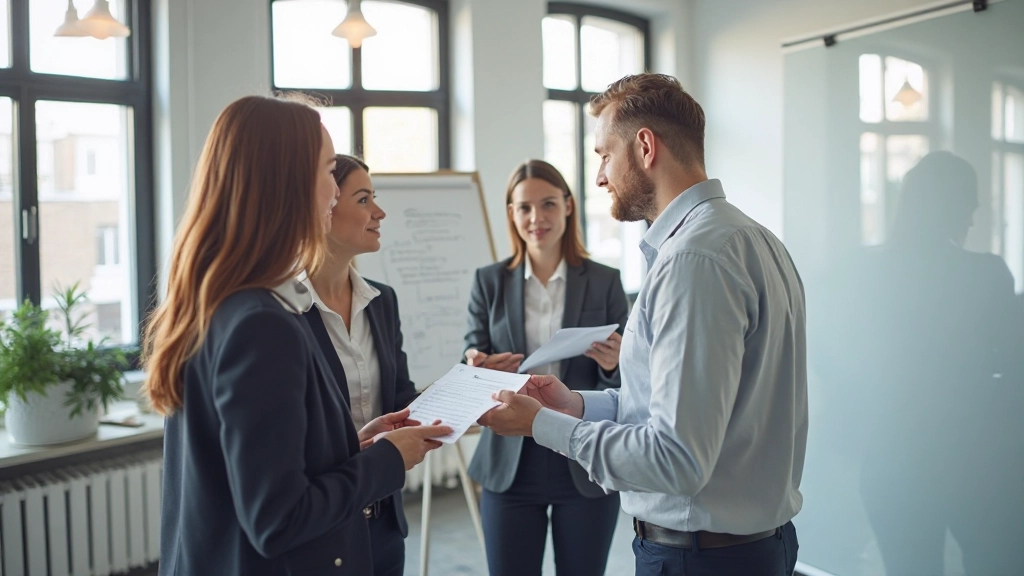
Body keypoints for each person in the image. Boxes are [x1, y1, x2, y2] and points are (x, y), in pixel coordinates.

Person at [479, 74, 806, 576]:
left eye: (604, 155)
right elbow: (673, 404)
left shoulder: (694, 260)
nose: (599, 178)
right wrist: (577, 404)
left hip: (701, 556)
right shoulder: (751, 237)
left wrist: (542, 424)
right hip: (741, 547)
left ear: (646, 147)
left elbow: (675, 457)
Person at [142, 95, 450, 576]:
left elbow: (261, 468)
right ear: (288, 184)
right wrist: (388, 459)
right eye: (330, 172)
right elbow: (278, 519)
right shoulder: (261, 323)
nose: (333, 192)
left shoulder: (220, 300)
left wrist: (354, 446)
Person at [819, 151, 1024, 575]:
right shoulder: (986, 274)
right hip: (975, 458)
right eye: (968, 207)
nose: (971, 219)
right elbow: (1015, 364)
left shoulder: (857, 269)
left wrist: (860, 406)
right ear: (951, 207)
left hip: (891, 456)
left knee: (909, 567)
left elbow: (826, 350)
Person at [463, 159, 629, 576]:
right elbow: (471, 356)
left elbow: (629, 381)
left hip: (583, 457)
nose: (536, 218)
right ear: (511, 214)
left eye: (548, 204)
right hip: (509, 463)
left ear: (569, 206)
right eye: (524, 207)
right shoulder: (489, 281)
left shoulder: (605, 281)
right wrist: (478, 366)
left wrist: (614, 363)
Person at [301, 154, 420, 576]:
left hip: (385, 522)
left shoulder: (381, 302)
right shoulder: (283, 314)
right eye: (364, 199)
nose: (379, 212)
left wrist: (471, 384)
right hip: (321, 530)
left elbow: (401, 400)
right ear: (325, 205)